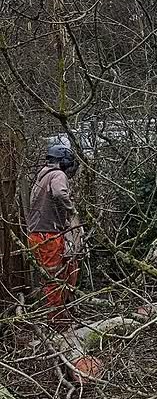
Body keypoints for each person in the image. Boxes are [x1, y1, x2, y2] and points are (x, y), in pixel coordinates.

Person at [27, 141, 83, 329]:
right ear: (64, 162)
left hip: (38, 233)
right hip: (48, 235)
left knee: (62, 273)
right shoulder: (58, 175)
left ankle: (61, 315)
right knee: (55, 280)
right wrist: (71, 210)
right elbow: (60, 193)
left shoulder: (41, 176)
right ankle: (57, 323)